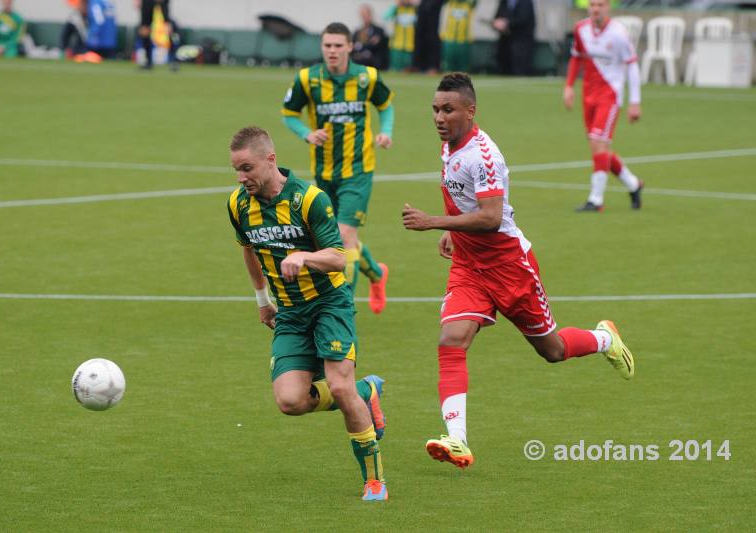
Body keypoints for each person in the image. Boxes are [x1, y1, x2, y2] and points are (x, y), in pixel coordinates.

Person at [402, 73, 635, 469]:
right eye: (435, 109)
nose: (439, 117)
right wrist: (455, 233)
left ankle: (603, 338)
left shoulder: (483, 155)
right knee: (451, 340)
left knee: (553, 350)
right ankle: (456, 439)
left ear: (470, 111)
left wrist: (436, 223)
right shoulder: (449, 146)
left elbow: (492, 218)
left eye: (448, 109)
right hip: (470, 265)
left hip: (511, 266)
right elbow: (467, 202)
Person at [226, 126, 388, 501]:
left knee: (341, 386)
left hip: (329, 304)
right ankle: (367, 392)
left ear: (270, 159)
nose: (241, 177)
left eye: (247, 168)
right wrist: (262, 300)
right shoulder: (238, 204)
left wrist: (303, 256)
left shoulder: (309, 200)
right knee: (290, 402)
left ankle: (374, 480)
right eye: (236, 169)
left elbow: (337, 257)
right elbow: (248, 250)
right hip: (290, 314)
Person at [282, 22, 394, 314]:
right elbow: (289, 114)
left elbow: (385, 105)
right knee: (331, 238)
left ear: (349, 47)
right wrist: (306, 133)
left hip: (358, 170)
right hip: (324, 171)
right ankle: (377, 274)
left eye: (337, 45)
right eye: (327, 45)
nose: (332, 51)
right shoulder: (308, 79)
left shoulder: (367, 77)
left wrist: (386, 131)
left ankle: (343, 308)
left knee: (344, 238)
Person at [564, 0, 643, 212]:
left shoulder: (618, 33)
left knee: (598, 143)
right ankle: (633, 184)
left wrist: (635, 101)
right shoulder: (581, 29)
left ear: (608, 7)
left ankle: (596, 200)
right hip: (588, 95)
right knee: (599, 147)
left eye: (600, 4)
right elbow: (576, 58)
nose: (596, 8)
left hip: (610, 96)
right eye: (592, 4)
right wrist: (569, 86)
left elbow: (632, 65)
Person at [491, 0, 536, 75]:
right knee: (503, 66)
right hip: (505, 39)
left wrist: (506, 23)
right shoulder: (504, 2)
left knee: (519, 68)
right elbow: (498, 16)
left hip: (522, 41)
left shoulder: (526, 2)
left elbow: (523, 19)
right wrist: (496, 23)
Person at [136, 0, 177, 70]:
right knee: (144, 31)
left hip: (162, 3)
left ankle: (173, 61)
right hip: (147, 3)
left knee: (168, 29)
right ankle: (148, 62)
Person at [440, 0, 477, 73]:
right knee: (448, 64)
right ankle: (448, 80)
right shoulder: (449, 4)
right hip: (449, 38)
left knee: (463, 65)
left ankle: (462, 80)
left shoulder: (469, 4)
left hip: (464, 39)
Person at [412, 0, 444, 74]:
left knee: (432, 35)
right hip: (423, 4)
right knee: (419, 34)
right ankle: (417, 66)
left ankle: (433, 66)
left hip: (434, 5)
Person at [352, 4, 388, 70]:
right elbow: (353, 46)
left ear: (371, 15)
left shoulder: (379, 31)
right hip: (359, 60)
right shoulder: (357, 32)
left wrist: (360, 46)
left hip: (374, 62)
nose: (365, 17)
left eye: (366, 15)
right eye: (363, 15)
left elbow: (375, 46)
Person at [385, 0, 416, 72]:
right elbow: (385, 17)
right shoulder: (396, 9)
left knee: (407, 71)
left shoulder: (415, 10)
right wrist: (395, 6)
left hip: (410, 46)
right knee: (394, 70)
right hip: (396, 45)